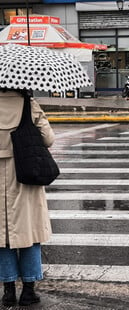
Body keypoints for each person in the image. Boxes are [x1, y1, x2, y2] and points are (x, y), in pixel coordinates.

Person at [0, 88, 55, 307]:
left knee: (2, 237)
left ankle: (8, 291)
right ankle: (29, 290)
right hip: (25, 174)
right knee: (30, 233)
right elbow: (48, 140)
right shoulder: (28, 105)